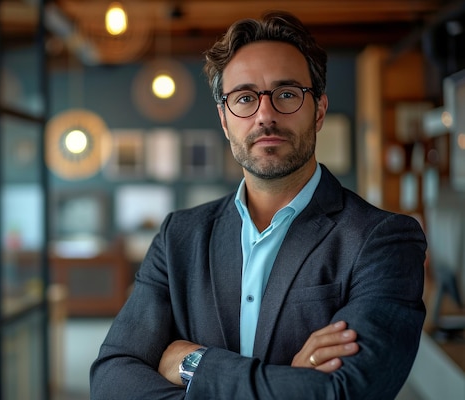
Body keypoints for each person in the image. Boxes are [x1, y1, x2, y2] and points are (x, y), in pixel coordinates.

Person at [90, 10, 426, 400]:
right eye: (245, 98)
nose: (265, 115)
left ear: (317, 110)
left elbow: (343, 392)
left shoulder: (383, 240)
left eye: (286, 94)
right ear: (224, 119)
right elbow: (111, 381)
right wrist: (286, 379)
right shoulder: (178, 236)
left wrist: (194, 363)